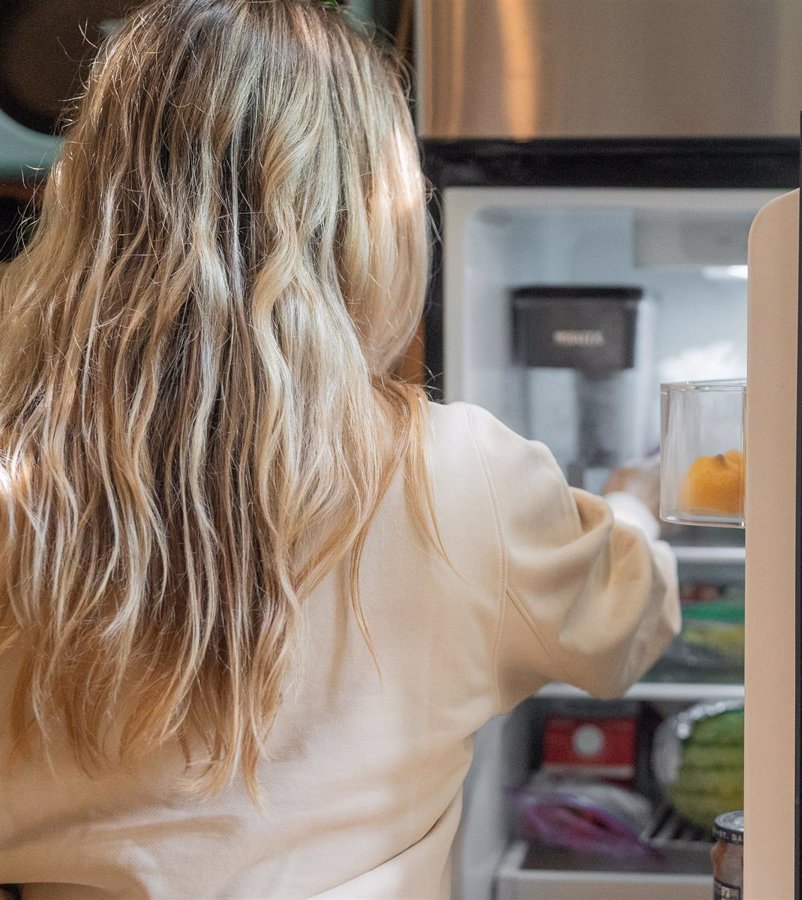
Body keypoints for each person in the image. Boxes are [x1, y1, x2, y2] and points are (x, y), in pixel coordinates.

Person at [0, 2, 679, 897]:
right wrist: (634, 498)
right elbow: (628, 626)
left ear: (93, 205)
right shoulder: (459, 479)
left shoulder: (21, 485)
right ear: (369, 224)